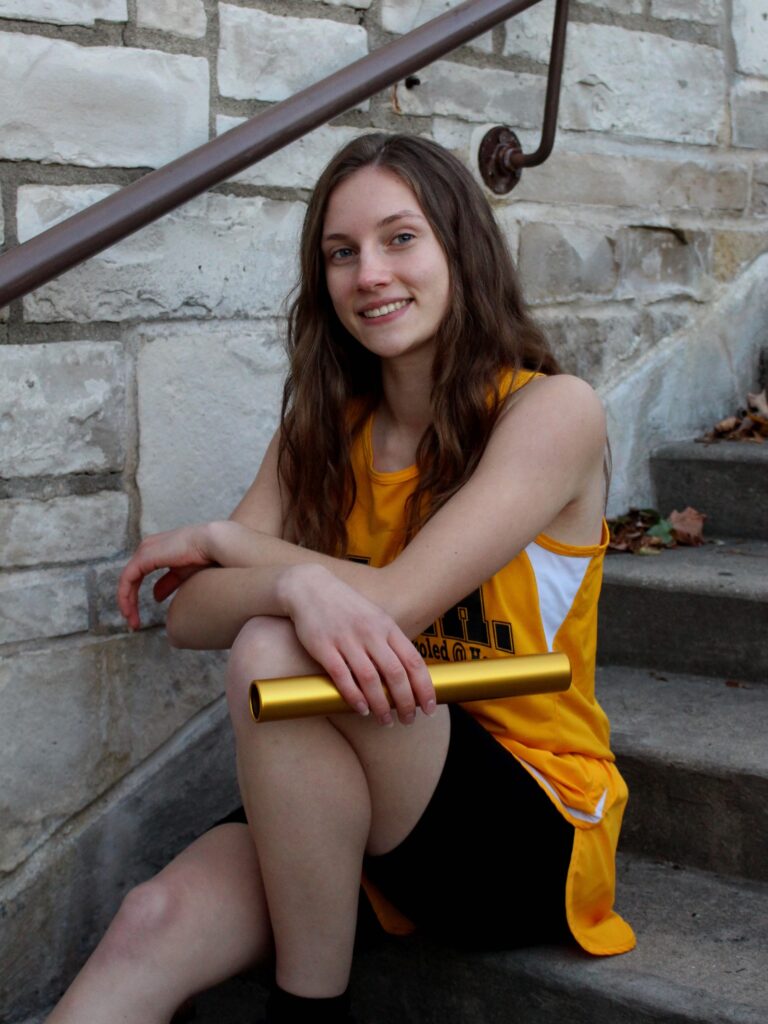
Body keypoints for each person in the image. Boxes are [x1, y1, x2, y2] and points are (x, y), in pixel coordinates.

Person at [46, 133, 635, 1024]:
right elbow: (191, 613)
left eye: (400, 238)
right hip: (349, 785)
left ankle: (309, 1010)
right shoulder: (322, 430)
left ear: (461, 248)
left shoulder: (550, 410)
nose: (370, 274)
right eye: (341, 252)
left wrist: (228, 541)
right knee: (151, 919)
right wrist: (292, 586)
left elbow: (398, 600)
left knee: (276, 653)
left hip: (526, 819)